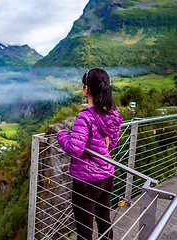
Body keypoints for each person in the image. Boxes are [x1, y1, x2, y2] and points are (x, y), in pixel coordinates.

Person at [57, 67, 123, 240]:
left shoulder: (85, 117)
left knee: (85, 232)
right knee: (104, 222)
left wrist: (62, 134)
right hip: (107, 177)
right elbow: (112, 144)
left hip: (87, 182)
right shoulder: (113, 115)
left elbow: (74, 149)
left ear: (86, 89)